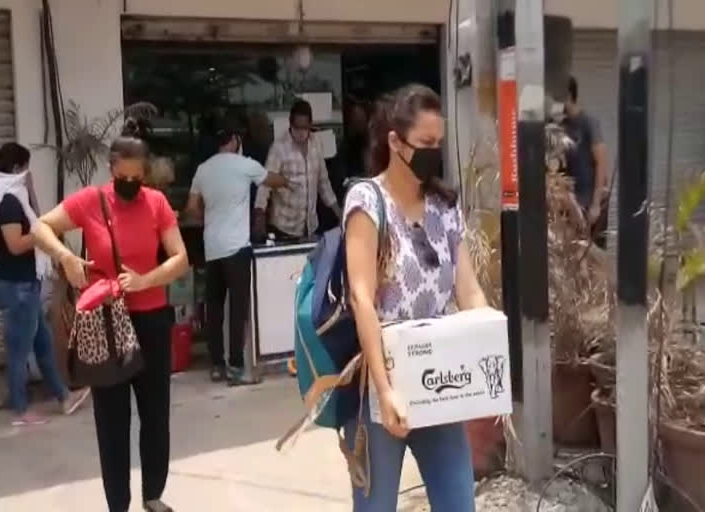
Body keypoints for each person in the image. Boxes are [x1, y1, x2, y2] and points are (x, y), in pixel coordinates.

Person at [343, 84, 488, 511]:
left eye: (438, 144)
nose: (433, 152)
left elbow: (469, 290)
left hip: (440, 383)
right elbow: (361, 297)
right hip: (380, 387)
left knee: (458, 502)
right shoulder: (368, 202)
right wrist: (386, 391)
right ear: (394, 141)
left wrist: (485, 363)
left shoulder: (445, 207)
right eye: (424, 143)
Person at [33, 131, 188, 512]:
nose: (131, 184)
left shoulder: (156, 203)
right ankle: (117, 504)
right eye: (125, 176)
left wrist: (145, 280)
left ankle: (153, 495)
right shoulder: (91, 201)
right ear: (111, 169)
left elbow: (180, 258)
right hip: (105, 321)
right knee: (112, 422)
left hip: (150, 320)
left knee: (155, 415)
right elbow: (40, 227)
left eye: (138, 177)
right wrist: (65, 258)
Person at [0, 144, 90, 426]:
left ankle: (64, 397)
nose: (29, 174)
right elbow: (15, 245)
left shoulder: (15, 198)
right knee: (19, 351)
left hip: (24, 285)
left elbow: (35, 222)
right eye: (26, 168)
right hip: (17, 287)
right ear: (17, 169)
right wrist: (42, 234)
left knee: (42, 345)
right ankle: (20, 410)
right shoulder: (7, 203)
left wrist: (39, 218)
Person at [185, 125, 287, 384]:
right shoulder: (244, 165)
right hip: (237, 248)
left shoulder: (203, 169)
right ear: (234, 141)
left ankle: (217, 365)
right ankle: (236, 366)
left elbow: (191, 209)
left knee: (215, 308)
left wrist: (211, 216)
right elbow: (271, 180)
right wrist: (286, 179)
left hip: (213, 248)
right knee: (238, 310)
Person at [253, 99, 341, 241]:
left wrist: (338, 212)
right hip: (283, 227)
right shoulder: (279, 147)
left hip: (310, 227)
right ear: (290, 124)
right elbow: (265, 183)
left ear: (310, 125)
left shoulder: (316, 144)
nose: (300, 132)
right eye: (297, 127)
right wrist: (259, 213)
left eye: (304, 128)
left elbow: (323, 183)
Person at [562, 76, 609, 248]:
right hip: (574, 204)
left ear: (568, 95)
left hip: (592, 200)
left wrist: (596, 204)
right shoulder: (561, 125)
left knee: (595, 252)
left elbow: (601, 162)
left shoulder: (588, 123)